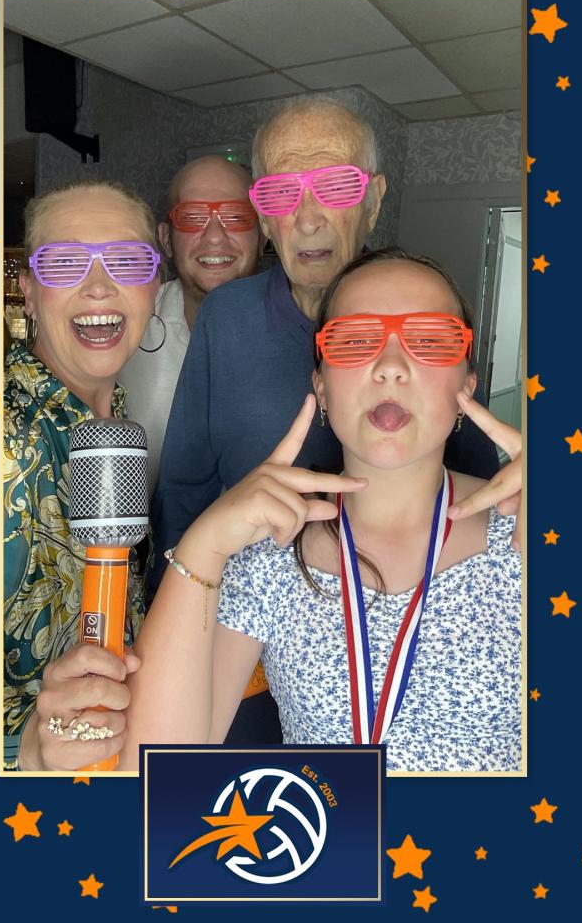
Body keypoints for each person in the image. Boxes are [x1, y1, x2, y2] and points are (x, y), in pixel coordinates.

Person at [150, 97, 522, 743]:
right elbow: (185, 482)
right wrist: (185, 606)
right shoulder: (226, 316)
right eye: (282, 193)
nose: (308, 216)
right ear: (265, 217)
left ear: (372, 202)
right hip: (248, 624)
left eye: (336, 186)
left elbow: (477, 484)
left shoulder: (430, 321)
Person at [120, 250, 522, 772]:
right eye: (354, 341)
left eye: (429, 341)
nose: (391, 367)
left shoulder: (529, 536)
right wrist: (204, 545)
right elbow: (152, 773)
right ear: (321, 386)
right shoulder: (270, 553)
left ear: (466, 384)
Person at [3, 181, 161, 771]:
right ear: (28, 290)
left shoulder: (112, 418)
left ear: (154, 287)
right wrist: (23, 751)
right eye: (64, 262)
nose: (99, 285)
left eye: (128, 261)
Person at [119, 155, 264, 491]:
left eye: (236, 216)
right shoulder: (124, 326)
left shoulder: (307, 337)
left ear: (263, 234)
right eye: (192, 217)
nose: (214, 237)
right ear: (166, 238)